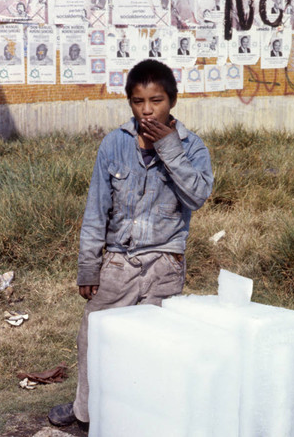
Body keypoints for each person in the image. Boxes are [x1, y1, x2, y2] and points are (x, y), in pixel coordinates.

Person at [48, 59, 213, 431]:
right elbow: (96, 211)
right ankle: (86, 412)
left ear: (172, 100)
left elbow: (198, 196)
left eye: (156, 100)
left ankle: (143, 420)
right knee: (95, 335)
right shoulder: (114, 144)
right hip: (119, 264)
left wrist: (169, 149)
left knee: (153, 347)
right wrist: (89, 266)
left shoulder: (193, 147)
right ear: (129, 103)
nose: (148, 110)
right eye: (139, 102)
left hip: (164, 265)